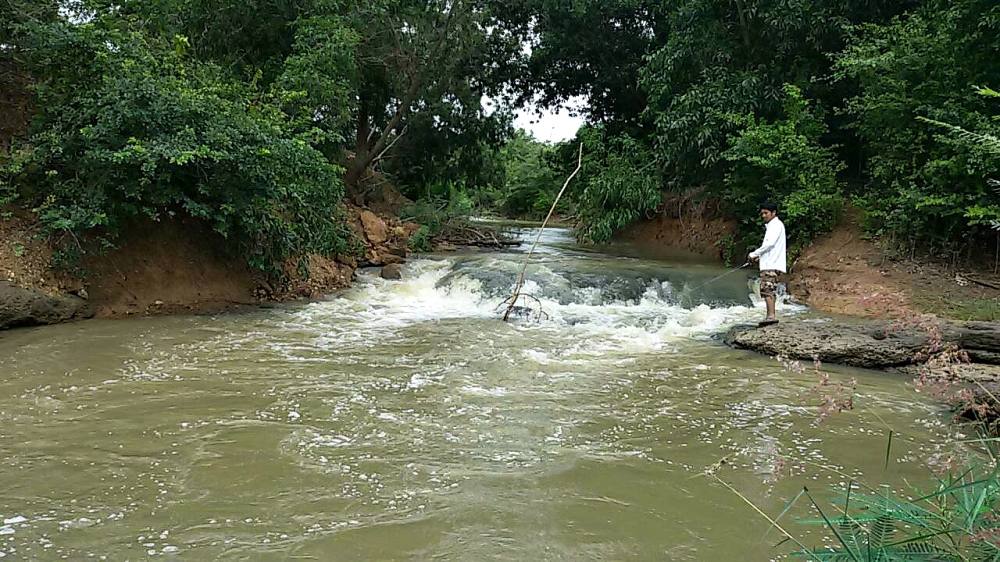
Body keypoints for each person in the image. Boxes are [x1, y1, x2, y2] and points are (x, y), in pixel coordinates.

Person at [748, 201, 786, 326]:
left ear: (773, 213)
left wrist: (754, 254)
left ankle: (771, 316)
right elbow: (772, 247)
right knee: (769, 289)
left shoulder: (775, 225)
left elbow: (769, 244)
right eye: (762, 213)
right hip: (773, 262)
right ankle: (770, 316)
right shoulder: (775, 225)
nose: (763, 215)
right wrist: (761, 256)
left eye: (766, 213)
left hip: (771, 264)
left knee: (767, 289)